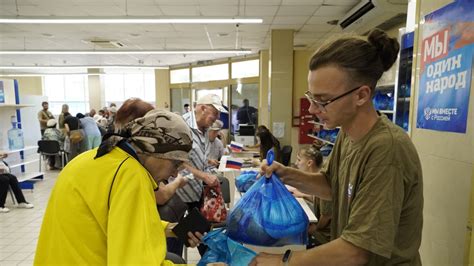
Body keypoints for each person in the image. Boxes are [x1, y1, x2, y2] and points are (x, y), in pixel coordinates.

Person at [253, 29, 423, 266]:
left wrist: (283, 261)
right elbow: (332, 186)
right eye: (311, 97)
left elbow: (357, 251)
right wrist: (286, 174)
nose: (312, 109)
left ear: (361, 95)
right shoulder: (347, 134)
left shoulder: (387, 149)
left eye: (322, 101)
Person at [35, 109, 203, 265]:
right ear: (155, 151)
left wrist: (169, 228)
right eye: (175, 163)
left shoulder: (90, 159)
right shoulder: (131, 174)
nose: (174, 174)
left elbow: (116, 220)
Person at [174, 94, 227, 212]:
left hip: (198, 191)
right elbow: (176, 160)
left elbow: (197, 156)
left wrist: (208, 169)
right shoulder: (181, 125)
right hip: (181, 193)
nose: (217, 117)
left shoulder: (206, 127)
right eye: (215, 112)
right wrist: (203, 176)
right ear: (203, 109)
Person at [290, 142, 332, 247]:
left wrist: (315, 228)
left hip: (326, 235)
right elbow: (318, 199)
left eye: (299, 160)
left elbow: (326, 216)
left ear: (309, 163)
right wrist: (303, 195)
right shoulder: (317, 179)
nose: (296, 163)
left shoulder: (321, 183)